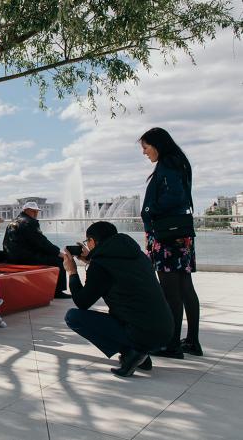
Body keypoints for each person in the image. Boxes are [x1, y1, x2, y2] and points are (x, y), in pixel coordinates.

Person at [63, 221, 174, 377]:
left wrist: (72, 272)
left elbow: (82, 302)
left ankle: (132, 352)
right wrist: (91, 259)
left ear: (92, 241)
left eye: (87, 241)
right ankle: (140, 354)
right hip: (165, 331)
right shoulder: (138, 255)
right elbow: (115, 269)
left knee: (73, 317)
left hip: (141, 332)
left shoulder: (100, 265)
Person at [140, 127, 201, 358]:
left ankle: (172, 344)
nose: (144, 152)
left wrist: (150, 210)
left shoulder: (168, 164)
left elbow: (175, 196)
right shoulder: (178, 162)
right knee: (185, 288)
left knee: (170, 292)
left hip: (167, 237)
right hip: (180, 234)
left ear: (157, 144)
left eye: (145, 147)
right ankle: (192, 341)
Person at [3, 201, 71, 298]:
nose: (35, 214)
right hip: (24, 258)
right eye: (33, 211)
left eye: (36, 211)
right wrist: (57, 252)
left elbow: (7, 242)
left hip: (12, 257)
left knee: (47, 255)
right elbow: (41, 242)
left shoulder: (13, 222)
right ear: (26, 210)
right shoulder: (29, 222)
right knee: (59, 260)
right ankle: (57, 291)